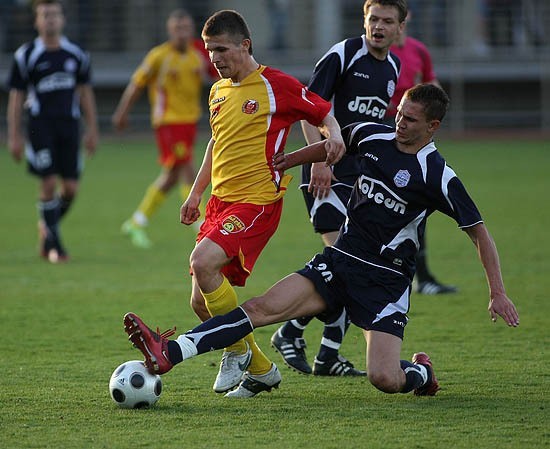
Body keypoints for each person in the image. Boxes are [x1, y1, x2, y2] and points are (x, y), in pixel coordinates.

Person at [123, 84, 520, 400]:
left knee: (384, 378)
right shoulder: (372, 134)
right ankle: (170, 352)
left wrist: (497, 292)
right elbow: (334, 146)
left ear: (432, 126)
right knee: (260, 308)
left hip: (384, 283)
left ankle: (419, 371)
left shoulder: (438, 176)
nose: (399, 123)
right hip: (339, 260)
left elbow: (479, 233)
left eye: (411, 120)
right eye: (398, 113)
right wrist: (289, 161)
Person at [176, 10, 344, 398]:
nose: (214, 59)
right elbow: (217, 144)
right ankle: (263, 369)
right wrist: (196, 193)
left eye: (220, 49)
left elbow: (323, 113)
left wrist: (331, 139)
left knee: (202, 262)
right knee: (201, 305)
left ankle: (234, 352)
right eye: (208, 50)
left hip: (257, 202)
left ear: (244, 45)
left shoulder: (276, 84)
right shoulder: (218, 91)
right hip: (221, 202)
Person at [272, 0, 406, 377]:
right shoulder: (343, 54)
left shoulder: (393, 68)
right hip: (325, 176)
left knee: (347, 269)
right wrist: (318, 162)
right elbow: (309, 109)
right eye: (373, 19)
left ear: (399, 29)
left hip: (360, 181)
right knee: (346, 264)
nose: (378, 26)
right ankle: (303, 339)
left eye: (387, 21)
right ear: (364, 21)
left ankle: (307, 340)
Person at [112, 9, 216, 248]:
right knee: (188, 169)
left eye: (186, 28)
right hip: (168, 122)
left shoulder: (198, 54)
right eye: (177, 29)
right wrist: (122, 112)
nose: (182, 33)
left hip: (189, 121)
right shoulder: (159, 56)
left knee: (171, 177)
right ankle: (199, 225)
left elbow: (215, 75)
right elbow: (137, 84)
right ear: (170, 31)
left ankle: (137, 222)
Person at [6, 0, 99, 263]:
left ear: (62, 19)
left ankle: (47, 226)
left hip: (69, 126)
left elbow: (85, 93)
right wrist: (13, 135)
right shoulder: (26, 55)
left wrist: (92, 130)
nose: (50, 19)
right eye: (45, 15)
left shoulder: (76, 54)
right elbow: (16, 97)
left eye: (54, 14)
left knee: (70, 188)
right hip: (40, 127)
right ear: (37, 21)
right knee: (48, 183)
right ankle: (56, 247)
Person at [387, 11, 456, 295]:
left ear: (405, 18)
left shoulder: (418, 51)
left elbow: (431, 85)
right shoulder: (376, 53)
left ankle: (422, 277)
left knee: (416, 204)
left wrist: (434, 115)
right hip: (386, 133)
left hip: (412, 139)